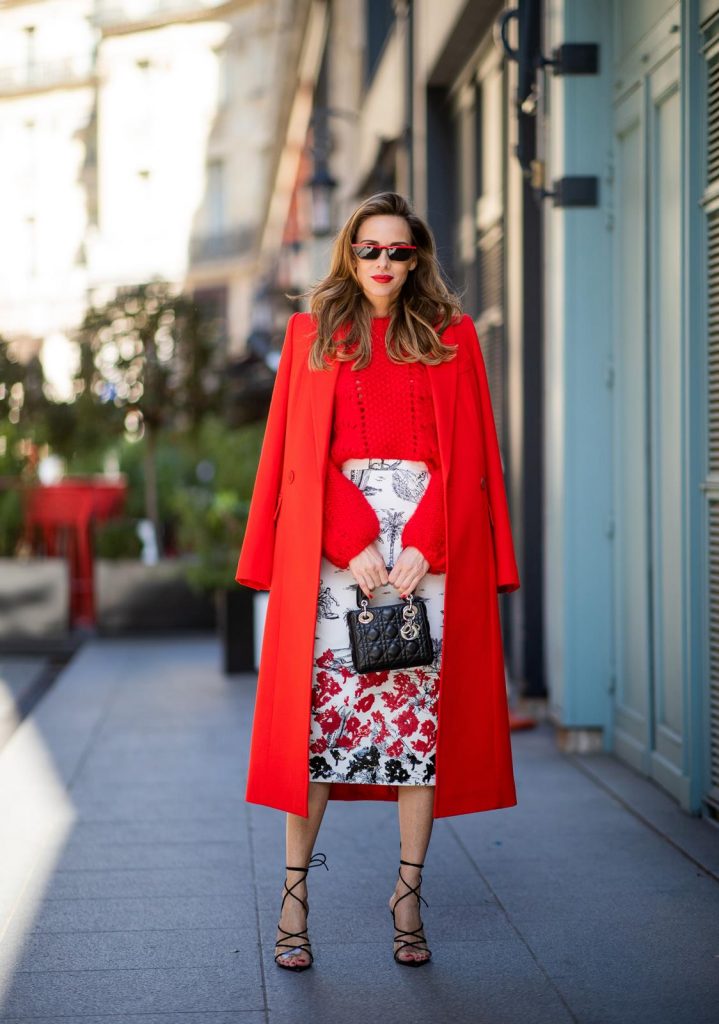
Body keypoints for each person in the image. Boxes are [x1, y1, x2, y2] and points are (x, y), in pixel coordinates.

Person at [234, 191, 520, 972]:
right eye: (370, 250)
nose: (384, 265)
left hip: (427, 554)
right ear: (348, 255)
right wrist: (350, 539)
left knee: (417, 736)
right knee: (318, 733)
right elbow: (296, 455)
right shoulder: (311, 335)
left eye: (399, 251)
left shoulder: (452, 338)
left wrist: (425, 544)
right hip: (338, 554)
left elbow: (472, 460)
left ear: (418, 257)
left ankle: (406, 897)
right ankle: (296, 897)